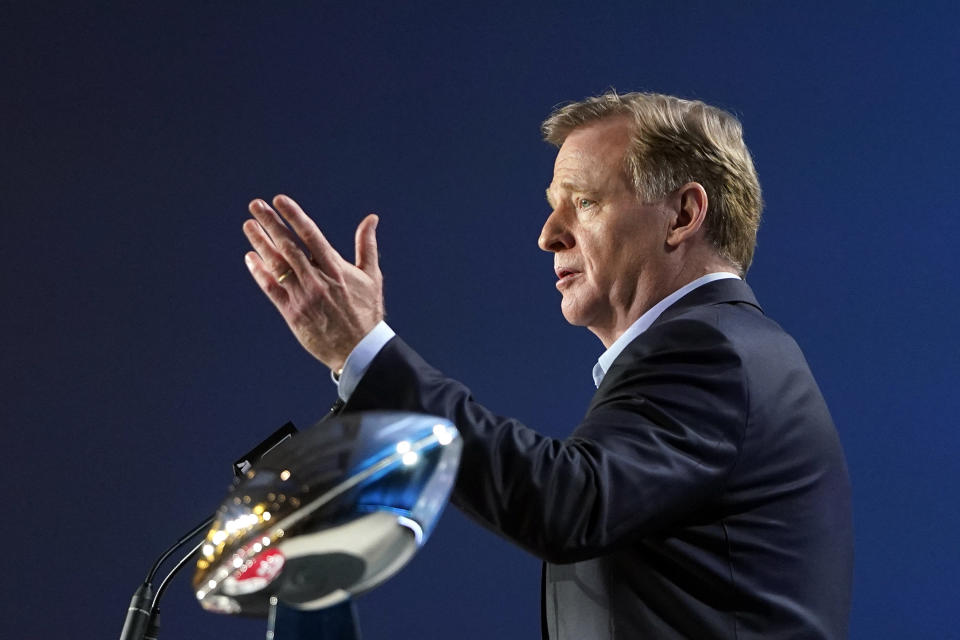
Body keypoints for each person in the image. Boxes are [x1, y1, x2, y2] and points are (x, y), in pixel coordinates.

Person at [241, 91, 853, 639]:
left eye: (584, 202)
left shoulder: (713, 351)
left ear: (683, 215)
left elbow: (566, 503)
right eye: (554, 206)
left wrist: (366, 352)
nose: (548, 235)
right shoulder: (723, 348)